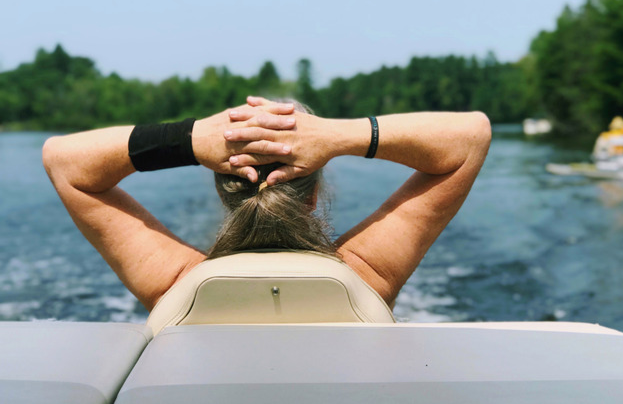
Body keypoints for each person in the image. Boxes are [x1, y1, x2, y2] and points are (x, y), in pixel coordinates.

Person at [42, 97, 491, 311]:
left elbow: (62, 160)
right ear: (314, 195)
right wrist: (339, 135)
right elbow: (471, 135)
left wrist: (187, 138)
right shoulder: (368, 276)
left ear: (222, 190)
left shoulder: (175, 284)